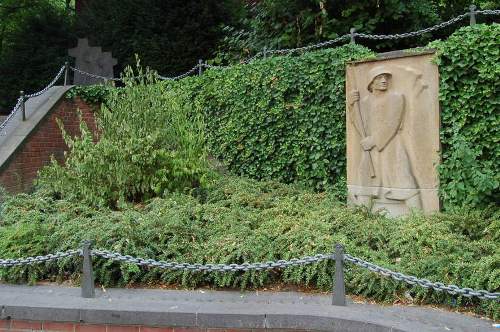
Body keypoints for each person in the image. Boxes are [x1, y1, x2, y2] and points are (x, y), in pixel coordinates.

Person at [348, 66, 421, 210]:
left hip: (392, 147)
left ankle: (421, 220)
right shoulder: (364, 102)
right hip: (370, 151)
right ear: (371, 83)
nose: (384, 80)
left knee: (404, 181)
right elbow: (359, 125)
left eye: (386, 78)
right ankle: (362, 221)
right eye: (379, 78)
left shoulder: (396, 98)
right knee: (365, 183)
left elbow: (392, 124)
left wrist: (373, 140)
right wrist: (351, 105)